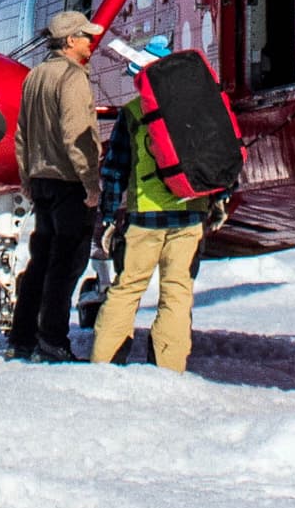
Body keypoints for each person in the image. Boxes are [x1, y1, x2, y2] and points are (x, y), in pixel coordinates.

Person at [90, 36, 210, 371]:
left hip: (145, 218)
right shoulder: (197, 107)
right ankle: (169, 367)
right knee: (177, 293)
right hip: (189, 215)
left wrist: (110, 216)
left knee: (127, 289)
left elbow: (114, 169)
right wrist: (219, 201)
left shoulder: (131, 114)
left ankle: (105, 362)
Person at [10, 10, 103, 363]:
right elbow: (76, 134)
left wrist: (26, 178)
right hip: (69, 182)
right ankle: (52, 338)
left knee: (41, 260)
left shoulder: (34, 76)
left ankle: (23, 337)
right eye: (85, 36)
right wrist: (90, 183)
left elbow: (22, 134)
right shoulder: (72, 78)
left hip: (42, 180)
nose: (91, 42)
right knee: (67, 264)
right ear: (69, 41)